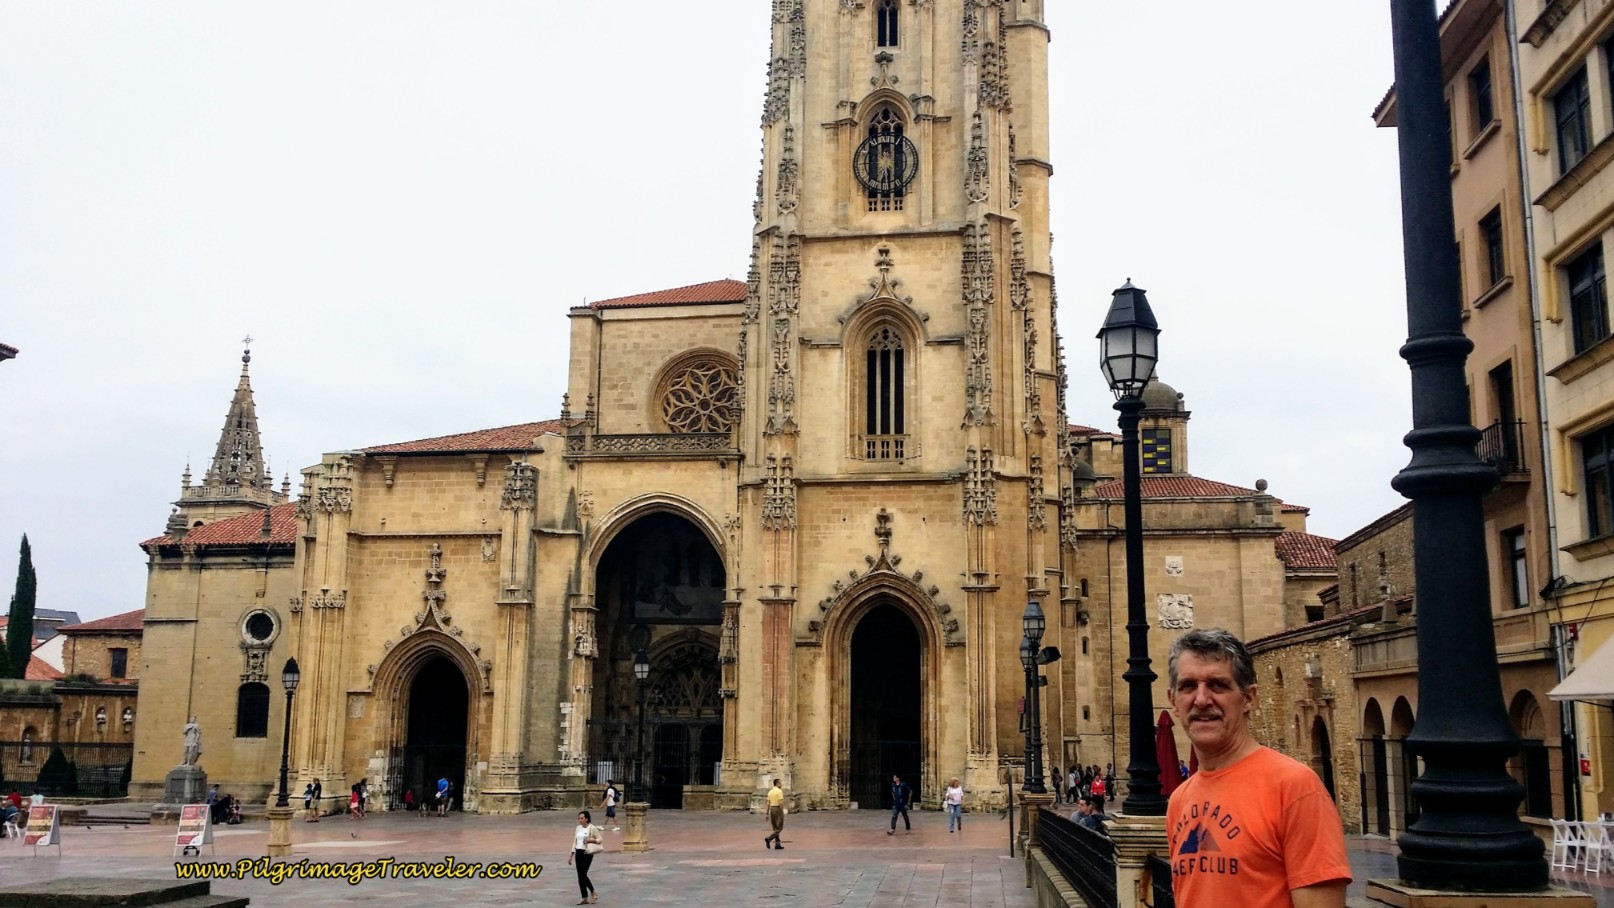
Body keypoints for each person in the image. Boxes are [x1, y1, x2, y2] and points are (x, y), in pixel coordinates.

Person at [1166, 628, 1351, 908]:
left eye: (1218, 685)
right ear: (1174, 701)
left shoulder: (1295, 787)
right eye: (1188, 686)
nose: (1201, 700)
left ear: (1249, 698)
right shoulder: (1179, 800)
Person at [567, 809, 602, 905]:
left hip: (587, 853)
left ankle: (593, 892)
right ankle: (584, 897)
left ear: (587, 819)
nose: (580, 820)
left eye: (582, 818)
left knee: (583, 874)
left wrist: (591, 840)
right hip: (578, 852)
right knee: (580, 876)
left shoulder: (592, 828)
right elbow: (575, 841)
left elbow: (600, 839)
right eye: (579, 818)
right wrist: (571, 854)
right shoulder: (578, 828)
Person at [763, 778, 786, 849]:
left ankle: (777, 844)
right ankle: (769, 839)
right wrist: (782, 810)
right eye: (780, 783)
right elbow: (780, 802)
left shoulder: (770, 792)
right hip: (777, 808)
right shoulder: (779, 791)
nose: (781, 784)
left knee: (775, 827)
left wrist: (767, 813)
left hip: (772, 809)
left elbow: (768, 803)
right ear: (777, 783)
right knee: (779, 827)